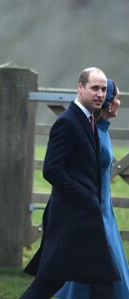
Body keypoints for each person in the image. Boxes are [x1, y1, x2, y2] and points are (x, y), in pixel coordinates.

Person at [20, 67, 120, 299]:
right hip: (70, 217)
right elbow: (51, 169)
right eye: (94, 88)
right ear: (80, 88)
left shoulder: (88, 120)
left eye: (104, 90)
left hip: (82, 216)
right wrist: (86, 196)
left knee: (101, 277)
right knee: (50, 282)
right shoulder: (68, 122)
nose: (100, 94)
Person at [55, 79, 129, 298]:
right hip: (95, 210)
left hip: (105, 210)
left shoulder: (102, 131)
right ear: (107, 104)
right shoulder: (93, 133)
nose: (118, 102)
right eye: (116, 98)